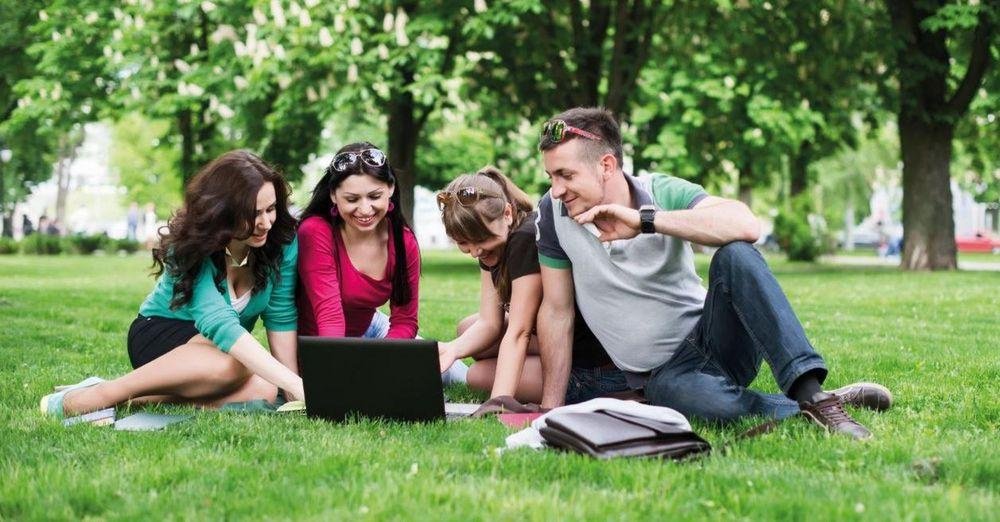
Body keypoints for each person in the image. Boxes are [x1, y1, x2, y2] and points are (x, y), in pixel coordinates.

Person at [534, 107, 893, 439]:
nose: (556, 188)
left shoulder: (661, 191)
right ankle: (820, 405)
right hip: (666, 376)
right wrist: (550, 409)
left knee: (737, 253)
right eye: (551, 175)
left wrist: (646, 222)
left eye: (566, 175)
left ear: (607, 166)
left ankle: (813, 395)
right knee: (700, 405)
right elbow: (556, 310)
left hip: (716, 337)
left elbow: (745, 223)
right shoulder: (552, 213)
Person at [40, 150, 304, 419]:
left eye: (271, 209)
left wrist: (295, 392)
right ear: (223, 211)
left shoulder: (281, 243)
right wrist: (297, 384)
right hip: (163, 335)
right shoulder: (190, 245)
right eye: (252, 213)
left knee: (268, 390)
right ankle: (101, 395)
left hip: (223, 351)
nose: (265, 223)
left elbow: (280, 316)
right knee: (237, 365)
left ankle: (138, 401)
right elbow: (219, 324)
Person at [436, 167, 629, 413]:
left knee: (478, 376)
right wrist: (452, 350)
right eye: (463, 243)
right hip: (559, 343)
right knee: (467, 328)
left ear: (507, 213)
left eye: (481, 241)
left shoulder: (525, 239)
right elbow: (489, 323)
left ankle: (608, 394)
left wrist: (498, 403)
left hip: (591, 364)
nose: (475, 252)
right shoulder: (492, 244)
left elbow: (520, 332)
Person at [296, 143, 467, 382]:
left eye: (374, 196)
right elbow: (330, 317)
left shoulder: (402, 240)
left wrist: (381, 360)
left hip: (370, 328)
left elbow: (405, 321)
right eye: (352, 199)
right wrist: (338, 371)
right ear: (334, 195)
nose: (365, 209)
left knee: (457, 373)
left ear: (390, 189)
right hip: (321, 343)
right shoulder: (315, 231)